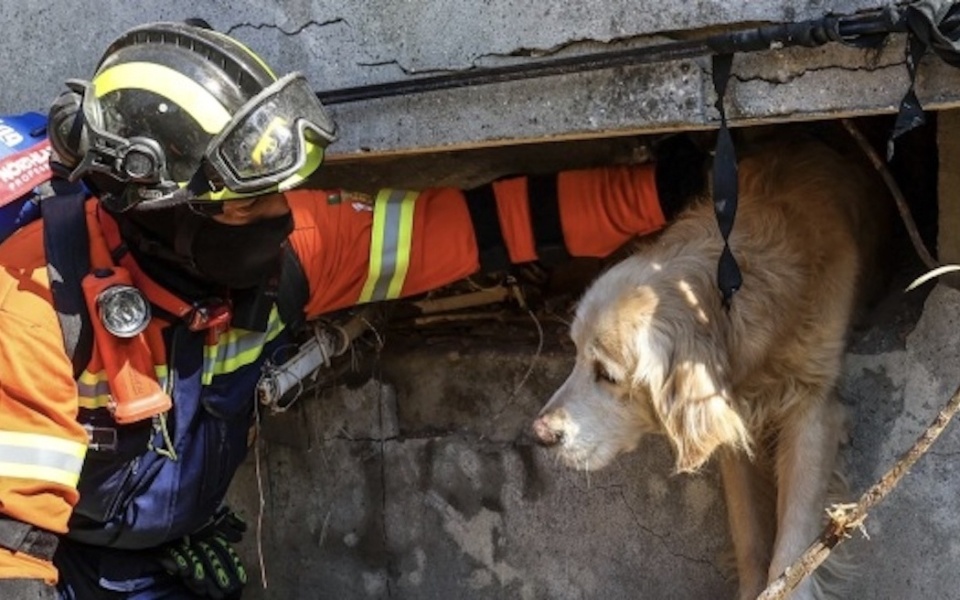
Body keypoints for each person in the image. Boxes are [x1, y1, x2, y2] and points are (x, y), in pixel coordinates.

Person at [0, 20, 698, 599]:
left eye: (279, 191)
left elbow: (478, 226)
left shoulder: (292, 252)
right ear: (161, 216)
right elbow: (13, 554)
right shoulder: (37, 310)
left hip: (134, 553)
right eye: (250, 202)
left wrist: (669, 192)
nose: (281, 217)